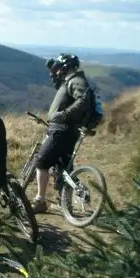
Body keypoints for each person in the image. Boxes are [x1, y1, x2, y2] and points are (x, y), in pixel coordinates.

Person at [31, 53, 93, 214]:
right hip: (66, 130)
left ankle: (40, 201)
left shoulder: (77, 80)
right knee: (63, 168)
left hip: (62, 130)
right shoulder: (69, 81)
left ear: (66, 66)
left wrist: (65, 114)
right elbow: (60, 88)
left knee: (42, 162)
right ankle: (65, 203)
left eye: (60, 67)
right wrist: (52, 71)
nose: (58, 71)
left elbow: (83, 100)